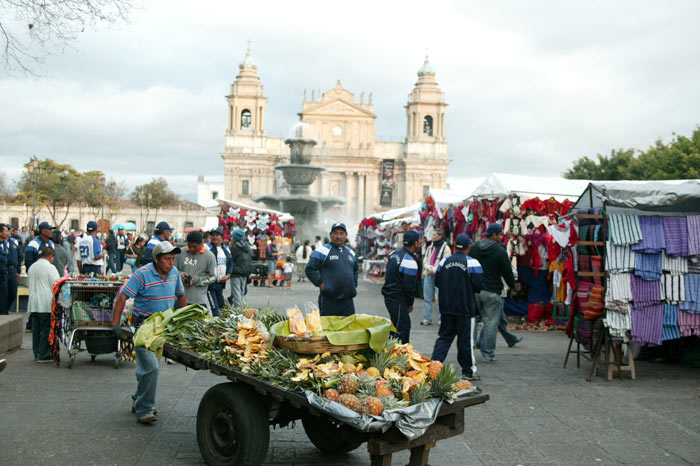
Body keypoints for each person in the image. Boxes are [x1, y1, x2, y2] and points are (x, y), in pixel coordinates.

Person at [111, 241, 186, 424]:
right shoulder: (142, 274)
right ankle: (145, 410)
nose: (171, 263)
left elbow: (181, 296)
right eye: (167, 259)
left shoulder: (174, 273)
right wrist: (115, 324)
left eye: (173, 259)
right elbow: (123, 297)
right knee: (151, 367)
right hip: (143, 326)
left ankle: (138, 398)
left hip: (163, 326)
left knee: (148, 369)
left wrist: (183, 320)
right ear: (156, 259)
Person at [431, 234, 483, 380]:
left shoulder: (444, 261)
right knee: (465, 340)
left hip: (446, 307)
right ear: (468, 247)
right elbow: (478, 285)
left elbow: (437, 282)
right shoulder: (472, 263)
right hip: (465, 308)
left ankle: (433, 367)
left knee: (444, 338)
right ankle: (468, 371)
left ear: (455, 246)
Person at [469, 223, 518, 362]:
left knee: (473, 320)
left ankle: (469, 349)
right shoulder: (500, 251)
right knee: (490, 322)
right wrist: (512, 286)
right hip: (492, 291)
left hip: (475, 290)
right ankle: (488, 354)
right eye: (500, 234)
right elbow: (507, 272)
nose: (502, 237)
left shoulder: (474, 248)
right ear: (494, 235)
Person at [306, 223, 359, 317]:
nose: (338, 236)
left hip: (348, 301)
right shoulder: (322, 251)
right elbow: (310, 269)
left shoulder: (350, 252)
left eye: (341, 233)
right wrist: (321, 284)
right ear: (331, 235)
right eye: (335, 233)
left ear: (345, 236)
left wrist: (353, 285)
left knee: (348, 329)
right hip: (329, 300)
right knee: (329, 330)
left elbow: (355, 270)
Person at [382, 229, 420, 343]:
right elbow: (409, 287)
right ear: (416, 243)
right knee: (401, 330)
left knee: (396, 327)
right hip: (398, 298)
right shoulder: (409, 261)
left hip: (389, 296)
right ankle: (398, 356)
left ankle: (391, 354)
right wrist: (410, 303)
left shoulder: (394, 254)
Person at [28, 247, 60, 362]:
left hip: (33, 303)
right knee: (46, 329)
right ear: (50, 256)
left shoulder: (32, 267)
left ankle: (36, 353)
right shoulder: (50, 268)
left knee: (36, 330)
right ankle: (43, 354)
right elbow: (56, 284)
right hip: (45, 303)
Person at [174, 231, 217, 310]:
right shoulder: (180, 253)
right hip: (179, 299)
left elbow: (213, 277)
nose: (191, 249)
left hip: (199, 301)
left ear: (202, 243)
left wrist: (196, 280)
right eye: (189, 246)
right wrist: (181, 275)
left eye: (195, 246)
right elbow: (172, 271)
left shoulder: (210, 256)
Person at [421, 228, 451, 326]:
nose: (432, 236)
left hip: (439, 275)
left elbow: (445, 262)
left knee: (440, 297)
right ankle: (427, 318)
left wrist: (434, 270)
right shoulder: (431, 247)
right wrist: (427, 268)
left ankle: (441, 319)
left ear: (440, 236)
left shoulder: (446, 249)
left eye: (434, 234)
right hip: (428, 273)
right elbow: (425, 259)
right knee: (427, 297)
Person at [206, 228, 231, 317]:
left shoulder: (226, 250)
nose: (215, 237)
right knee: (214, 306)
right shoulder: (207, 248)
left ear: (221, 237)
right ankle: (215, 320)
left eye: (217, 235)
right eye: (213, 235)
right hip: (211, 284)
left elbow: (230, 264)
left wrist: (228, 275)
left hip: (221, 283)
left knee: (221, 305)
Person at [0, 224, 21, 315]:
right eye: (6, 231)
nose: (8, 233)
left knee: (12, 292)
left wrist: (18, 270)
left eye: (9, 231)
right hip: (3, 271)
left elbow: (19, 256)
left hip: (11, 270)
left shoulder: (11, 243)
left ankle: (6, 309)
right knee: (3, 293)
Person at [229, 229, 252, 307]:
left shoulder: (235, 247)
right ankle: (243, 310)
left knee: (236, 294)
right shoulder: (247, 246)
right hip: (245, 273)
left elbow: (231, 259)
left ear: (235, 238)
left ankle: (238, 312)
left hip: (235, 273)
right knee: (242, 293)